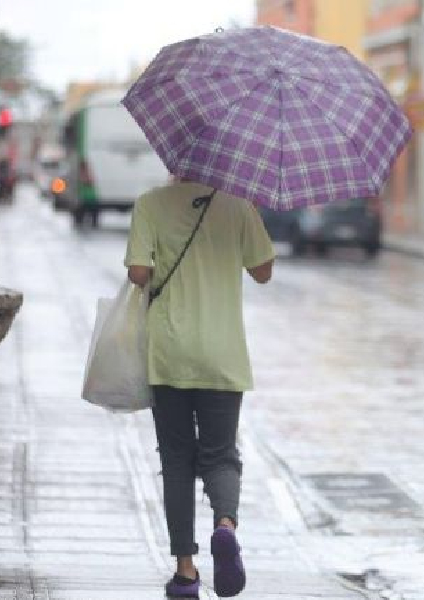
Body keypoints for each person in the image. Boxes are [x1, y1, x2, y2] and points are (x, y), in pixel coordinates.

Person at [125, 178, 275, 599]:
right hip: (222, 353)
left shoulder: (150, 203)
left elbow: (138, 273)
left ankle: (186, 572)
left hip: (169, 351)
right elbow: (263, 272)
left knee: (176, 460)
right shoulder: (239, 205)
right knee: (220, 454)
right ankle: (225, 525)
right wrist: (251, 213)